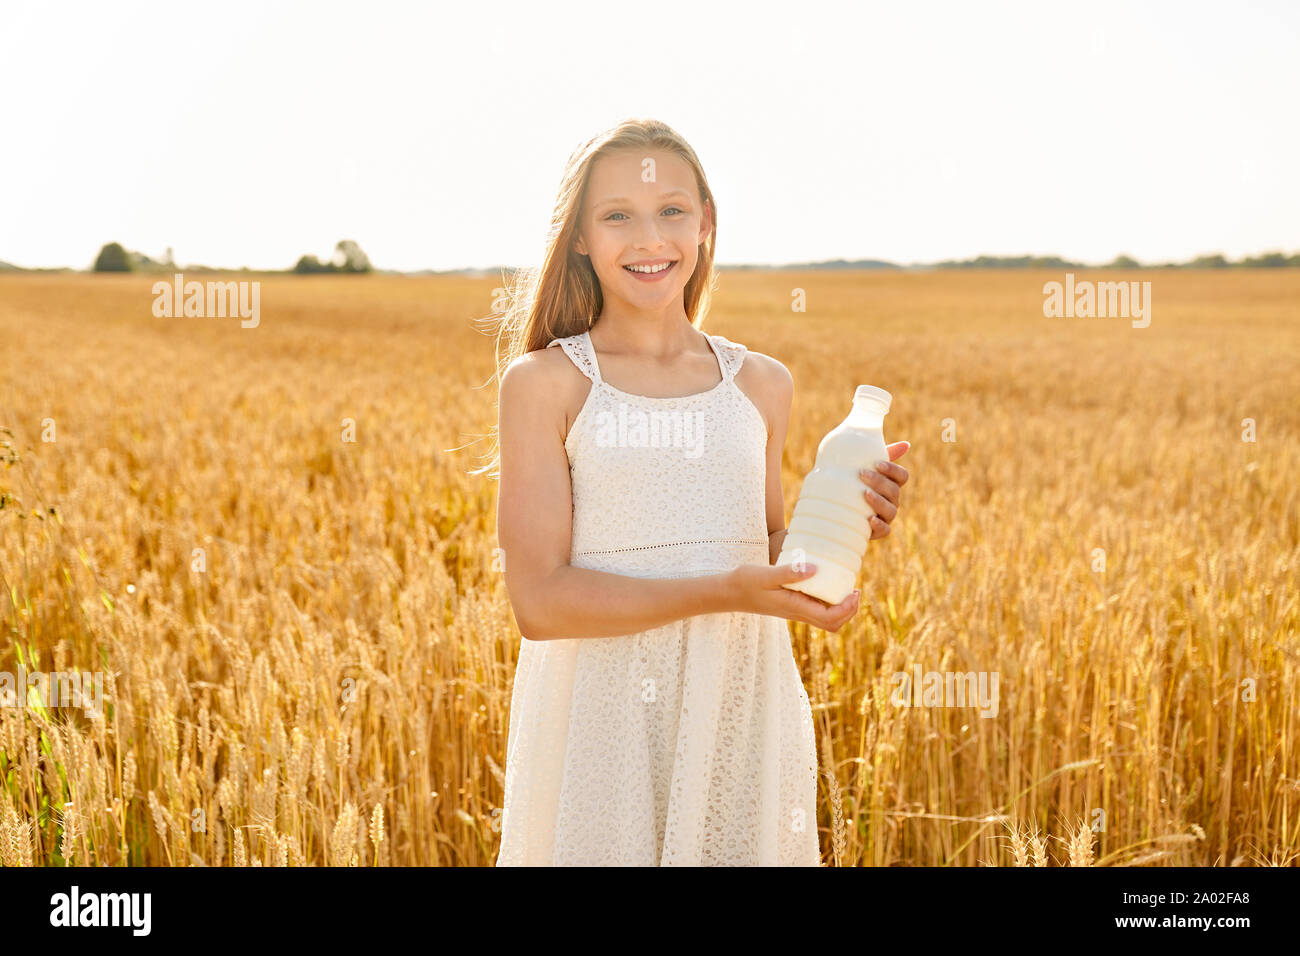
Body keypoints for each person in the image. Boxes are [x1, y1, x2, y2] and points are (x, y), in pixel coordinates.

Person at [483, 117, 910, 865]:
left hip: (740, 705)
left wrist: (841, 525)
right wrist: (731, 590)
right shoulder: (546, 384)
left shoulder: (760, 383)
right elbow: (540, 603)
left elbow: (765, 544)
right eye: (618, 215)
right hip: (602, 721)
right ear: (580, 236)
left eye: (672, 211)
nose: (650, 238)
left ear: (706, 223)